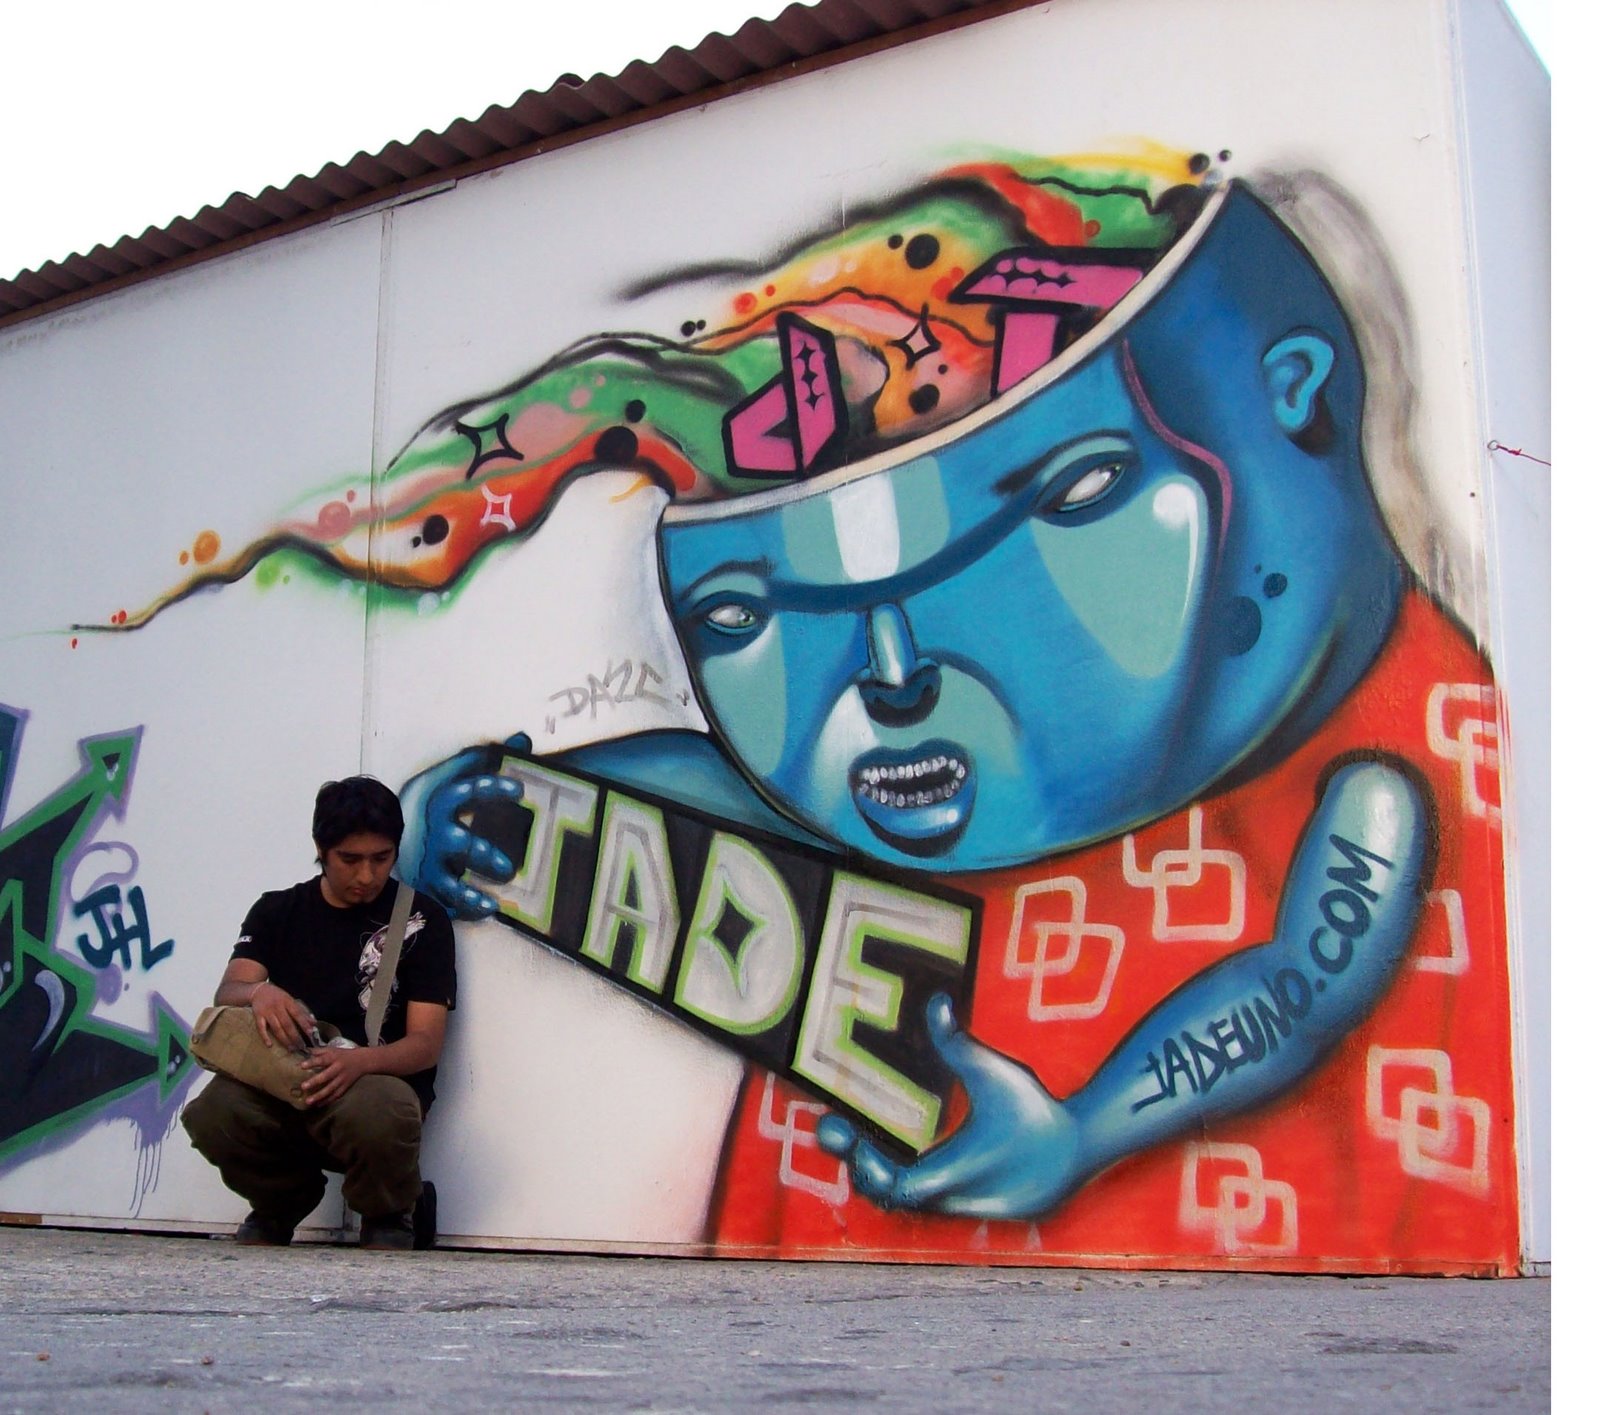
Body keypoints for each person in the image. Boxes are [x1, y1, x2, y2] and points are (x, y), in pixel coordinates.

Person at [182, 776, 456, 1248]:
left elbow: (425, 1045)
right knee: (212, 1114)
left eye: (381, 858)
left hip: (372, 1083)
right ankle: (282, 1201)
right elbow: (230, 990)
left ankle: (391, 1211)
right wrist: (259, 994)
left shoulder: (423, 920)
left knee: (383, 1111)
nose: (366, 876)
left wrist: (358, 1063)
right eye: (350, 859)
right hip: (285, 1078)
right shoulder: (277, 911)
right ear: (321, 850)